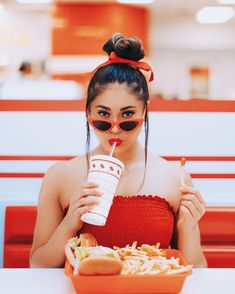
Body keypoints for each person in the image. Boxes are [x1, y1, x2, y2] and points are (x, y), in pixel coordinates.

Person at [30, 33, 207, 268]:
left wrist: (189, 225)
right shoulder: (59, 176)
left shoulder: (176, 178)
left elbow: (197, 270)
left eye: (127, 116)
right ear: (88, 113)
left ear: (145, 112)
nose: (115, 129)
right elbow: (38, 265)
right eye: (103, 115)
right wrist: (70, 222)